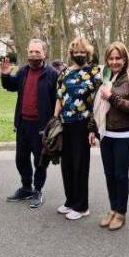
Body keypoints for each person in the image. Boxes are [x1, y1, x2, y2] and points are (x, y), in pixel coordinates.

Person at [89, 42, 129, 231]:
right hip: (106, 133)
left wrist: (111, 96)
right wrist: (92, 129)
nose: (114, 62)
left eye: (118, 58)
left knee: (120, 174)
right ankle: (112, 209)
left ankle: (121, 213)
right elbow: (95, 107)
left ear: (125, 58)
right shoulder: (104, 78)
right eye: (111, 58)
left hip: (125, 134)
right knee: (109, 174)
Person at [0, 39, 58, 209]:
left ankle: (37, 190)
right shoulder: (23, 71)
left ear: (44, 54)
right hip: (23, 124)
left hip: (41, 126)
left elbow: (57, 100)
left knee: (40, 161)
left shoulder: (52, 74)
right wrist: (5, 75)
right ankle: (26, 188)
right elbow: (11, 86)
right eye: (31, 52)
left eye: (37, 52)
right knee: (21, 159)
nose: (33, 55)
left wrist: (53, 124)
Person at [54, 37, 101, 220]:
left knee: (80, 165)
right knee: (67, 165)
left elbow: (97, 103)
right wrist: (54, 119)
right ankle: (70, 200)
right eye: (76, 52)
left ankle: (82, 206)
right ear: (71, 53)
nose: (79, 55)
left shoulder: (94, 72)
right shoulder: (64, 73)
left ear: (88, 53)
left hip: (83, 124)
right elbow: (59, 97)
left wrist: (92, 129)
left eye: (83, 52)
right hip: (65, 124)